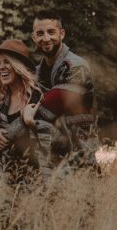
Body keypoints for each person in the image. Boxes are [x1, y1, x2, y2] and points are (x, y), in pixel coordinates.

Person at [23, 10, 99, 173]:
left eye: (51, 32)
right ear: (34, 38)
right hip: (47, 159)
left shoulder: (76, 65)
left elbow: (48, 108)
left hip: (79, 158)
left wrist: (27, 116)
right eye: (40, 33)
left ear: (62, 34)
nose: (46, 38)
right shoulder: (36, 73)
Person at [0, 39, 53, 183]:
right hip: (5, 186)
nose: (1, 67)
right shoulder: (0, 102)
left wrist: (32, 125)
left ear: (19, 66)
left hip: (36, 184)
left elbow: (58, 141)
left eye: (7, 62)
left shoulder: (40, 97)